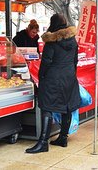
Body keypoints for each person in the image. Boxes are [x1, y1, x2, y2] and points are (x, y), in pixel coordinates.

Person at [25, 14, 80, 154]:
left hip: (53, 78)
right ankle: (63, 137)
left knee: (46, 107)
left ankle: (43, 142)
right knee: (66, 106)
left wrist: (41, 76)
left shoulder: (51, 42)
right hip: (69, 77)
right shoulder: (73, 40)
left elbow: (46, 63)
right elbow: (75, 61)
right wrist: (70, 73)